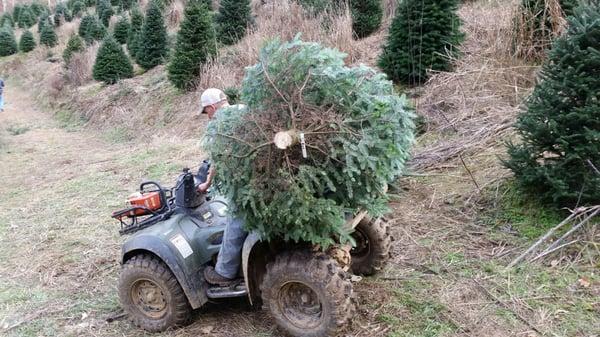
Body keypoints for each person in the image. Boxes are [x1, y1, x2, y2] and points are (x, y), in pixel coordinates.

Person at [199, 88, 249, 286]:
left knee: (235, 220)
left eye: (205, 112)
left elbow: (217, 159)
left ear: (211, 108)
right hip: (264, 174)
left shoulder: (218, 125)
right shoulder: (244, 109)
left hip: (246, 181)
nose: (207, 116)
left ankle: (224, 272)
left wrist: (206, 184)